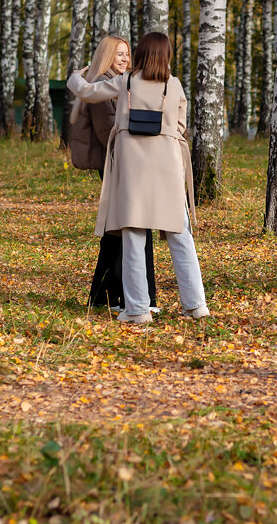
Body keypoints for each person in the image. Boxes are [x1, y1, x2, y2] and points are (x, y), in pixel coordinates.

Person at [68, 32, 208, 324]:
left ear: (142, 53)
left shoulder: (126, 82)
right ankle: (196, 305)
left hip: (133, 170)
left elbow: (87, 92)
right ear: (167, 55)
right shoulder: (175, 84)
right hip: (169, 168)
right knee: (181, 236)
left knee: (133, 236)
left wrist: (75, 76)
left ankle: (138, 310)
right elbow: (180, 125)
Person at [68, 35, 157, 312]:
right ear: (107, 56)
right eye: (119, 54)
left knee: (117, 231)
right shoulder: (102, 87)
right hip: (119, 164)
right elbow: (108, 133)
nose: (125, 59)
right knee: (131, 227)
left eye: (127, 54)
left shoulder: (118, 84)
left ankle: (104, 296)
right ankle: (133, 298)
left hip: (128, 163)